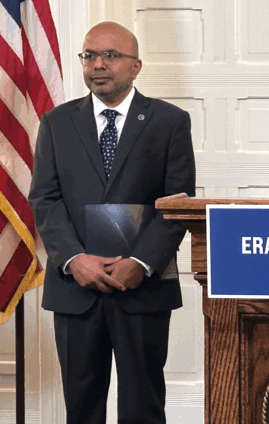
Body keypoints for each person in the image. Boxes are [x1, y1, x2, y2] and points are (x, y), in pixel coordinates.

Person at [29, 21, 196, 424]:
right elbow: (45, 199)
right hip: (76, 289)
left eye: (110, 55)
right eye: (89, 56)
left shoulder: (169, 122)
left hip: (143, 288)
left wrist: (140, 262)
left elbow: (176, 205)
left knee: (143, 406)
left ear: (136, 66)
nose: (98, 65)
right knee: (82, 408)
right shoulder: (56, 122)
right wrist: (74, 259)